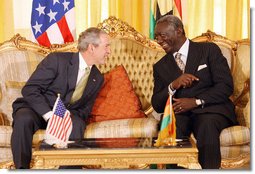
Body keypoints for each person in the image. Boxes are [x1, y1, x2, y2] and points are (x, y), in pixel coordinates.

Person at [11, 27, 111, 169]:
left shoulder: (97, 78)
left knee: (78, 124)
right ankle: (21, 170)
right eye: (106, 46)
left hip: (65, 115)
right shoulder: (57, 60)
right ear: (91, 48)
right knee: (23, 118)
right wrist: (49, 115)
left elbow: (84, 110)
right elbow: (30, 89)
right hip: (37, 110)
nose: (109, 51)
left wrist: (65, 118)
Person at [151, 15, 237, 169]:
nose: (158, 40)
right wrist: (173, 85)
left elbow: (225, 86)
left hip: (211, 110)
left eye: (162, 35)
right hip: (180, 115)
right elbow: (156, 104)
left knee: (206, 125)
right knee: (169, 128)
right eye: (156, 36)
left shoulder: (208, 50)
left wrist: (196, 101)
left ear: (179, 31)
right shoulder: (160, 66)